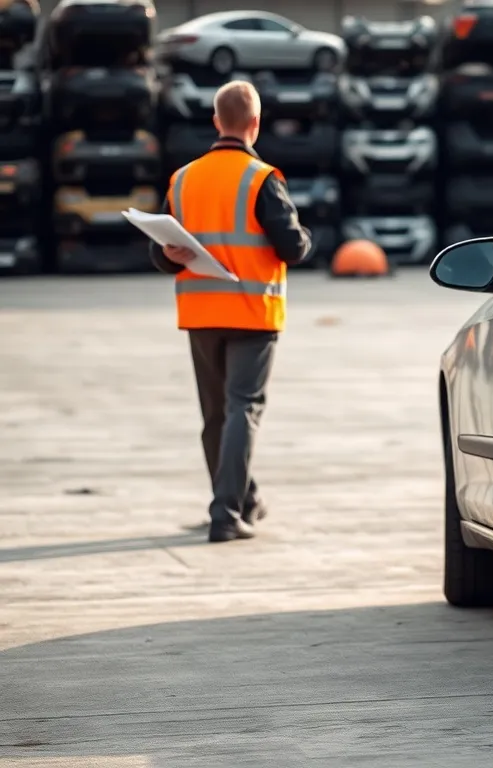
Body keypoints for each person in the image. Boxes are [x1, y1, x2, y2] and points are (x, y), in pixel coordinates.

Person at [150, 80, 312, 543]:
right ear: (255, 124)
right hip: (251, 313)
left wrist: (171, 257)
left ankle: (243, 498)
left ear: (217, 121)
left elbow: (161, 253)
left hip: (201, 313)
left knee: (217, 414)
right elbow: (293, 247)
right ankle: (225, 514)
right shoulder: (262, 178)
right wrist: (305, 237)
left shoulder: (183, 178)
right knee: (244, 408)